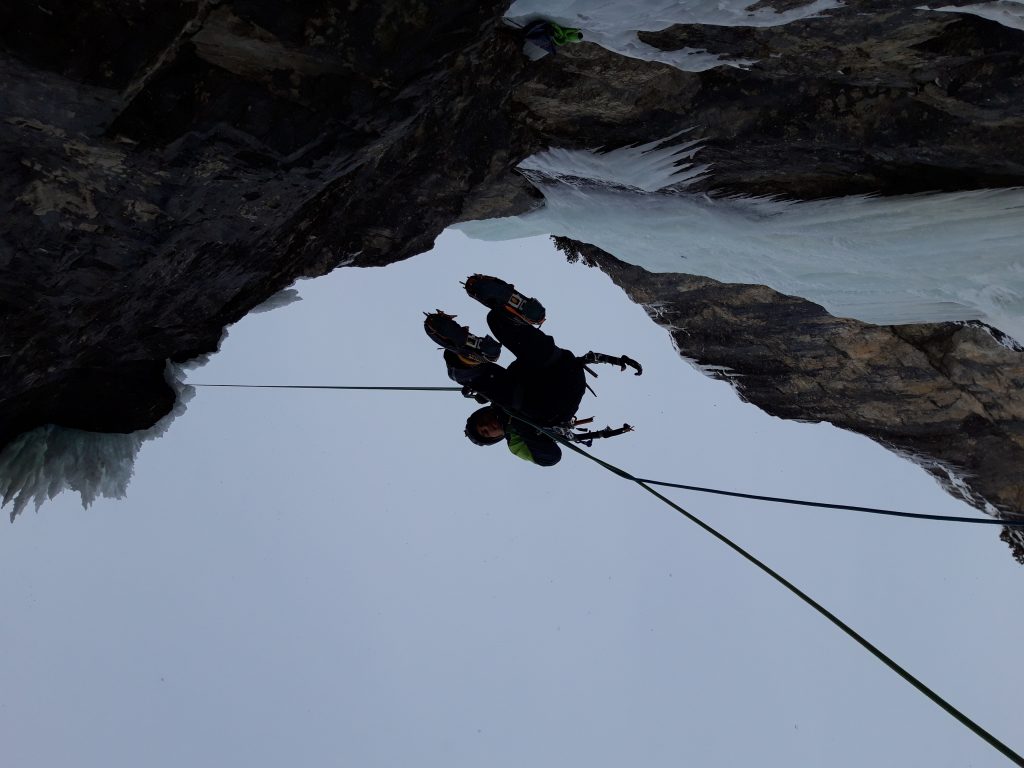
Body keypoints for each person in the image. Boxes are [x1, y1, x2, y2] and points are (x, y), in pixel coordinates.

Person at [425, 276, 641, 466]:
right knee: (497, 391)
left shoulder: (499, 394)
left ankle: (506, 321)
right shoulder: (515, 441)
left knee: (495, 322)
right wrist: (522, 426)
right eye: (486, 433)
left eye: (481, 423)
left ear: (482, 413)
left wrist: (484, 392)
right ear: (497, 438)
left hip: (549, 366)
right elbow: (550, 458)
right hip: (557, 394)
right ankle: (484, 346)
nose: (487, 427)